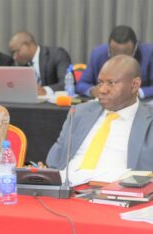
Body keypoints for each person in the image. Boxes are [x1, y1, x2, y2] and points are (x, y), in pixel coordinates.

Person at [47, 55, 153, 185]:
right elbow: (54, 162)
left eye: (111, 83)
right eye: (101, 82)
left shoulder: (149, 121)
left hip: (116, 194)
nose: (102, 90)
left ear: (134, 85)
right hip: (67, 189)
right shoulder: (80, 112)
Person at [76, 25, 153, 99]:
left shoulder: (149, 54)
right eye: (114, 54)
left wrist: (137, 92)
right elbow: (81, 84)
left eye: (126, 55)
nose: (120, 60)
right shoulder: (98, 54)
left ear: (135, 48)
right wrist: (93, 91)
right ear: (109, 48)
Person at [9, 31, 71, 96]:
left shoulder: (57, 54)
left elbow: (67, 84)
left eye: (15, 51)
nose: (14, 57)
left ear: (26, 45)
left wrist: (45, 91)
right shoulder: (20, 64)